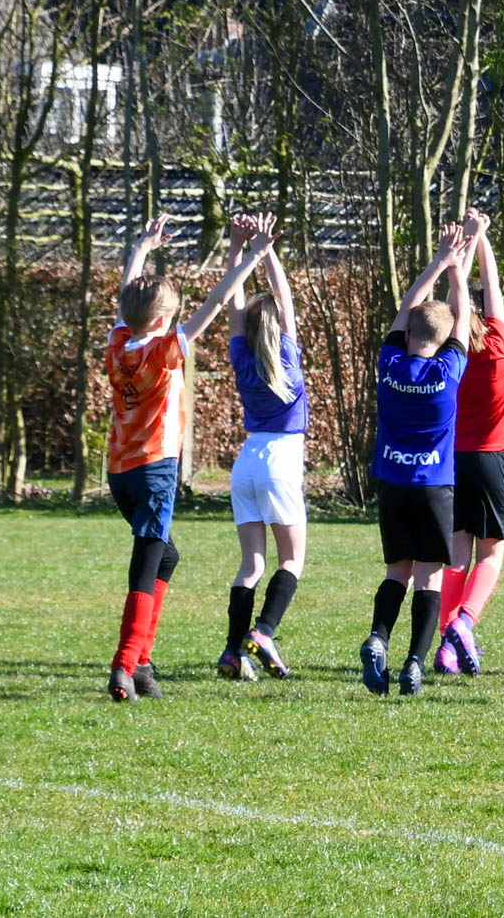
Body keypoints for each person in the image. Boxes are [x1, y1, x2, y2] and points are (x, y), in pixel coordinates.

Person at [105, 213, 278, 701]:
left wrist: (142, 248)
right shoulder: (164, 349)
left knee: (167, 556)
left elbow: (125, 296)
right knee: (146, 564)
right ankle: (125, 664)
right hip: (155, 471)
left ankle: (142, 664)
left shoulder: (118, 343)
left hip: (120, 473)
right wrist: (253, 256)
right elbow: (218, 301)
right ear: (163, 320)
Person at [358, 219, 477, 696]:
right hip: (433, 486)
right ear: (445, 341)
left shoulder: (389, 364)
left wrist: (439, 260)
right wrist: (458, 270)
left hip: (392, 484)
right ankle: (413, 664)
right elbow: (462, 317)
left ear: (407, 332)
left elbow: (407, 306)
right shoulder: (448, 371)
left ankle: (377, 637)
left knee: (396, 572)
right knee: (428, 579)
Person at [217, 213, 310, 682]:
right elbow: (285, 299)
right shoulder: (288, 355)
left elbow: (234, 306)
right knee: (291, 559)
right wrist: (267, 250)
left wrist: (238, 249)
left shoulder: (241, 356)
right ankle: (265, 631)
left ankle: (234, 652)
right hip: (281, 460)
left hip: (247, 461)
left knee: (252, 563)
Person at [435, 208, 504, 675]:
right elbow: (493, 286)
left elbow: (455, 302)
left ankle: (447, 643)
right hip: (489, 459)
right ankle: (463, 623)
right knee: (491, 553)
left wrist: (461, 248)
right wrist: (482, 238)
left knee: (456, 553)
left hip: (452, 461)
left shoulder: (451, 354)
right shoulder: (499, 344)